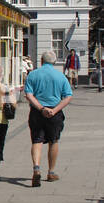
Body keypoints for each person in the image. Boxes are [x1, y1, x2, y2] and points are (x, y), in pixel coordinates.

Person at [23, 51, 73, 187]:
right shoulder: (61, 76)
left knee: (37, 141)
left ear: (41, 60)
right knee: (53, 141)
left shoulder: (33, 75)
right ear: (55, 62)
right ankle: (51, 172)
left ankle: (36, 168)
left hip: (37, 112)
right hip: (54, 113)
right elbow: (68, 96)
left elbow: (28, 94)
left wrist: (40, 108)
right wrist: (54, 110)